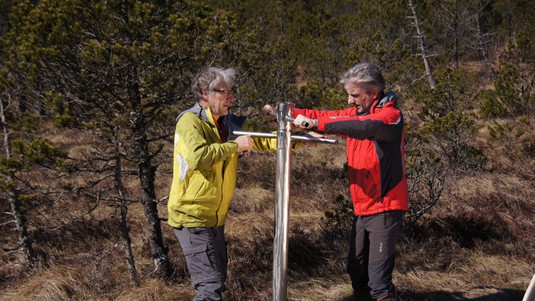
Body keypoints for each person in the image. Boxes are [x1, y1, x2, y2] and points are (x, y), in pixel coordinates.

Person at [266, 62, 408, 301]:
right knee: (356, 270)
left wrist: (318, 126)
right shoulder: (357, 112)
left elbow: (364, 127)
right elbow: (324, 116)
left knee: (378, 282)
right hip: (363, 207)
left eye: (354, 95)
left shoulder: (390, 117)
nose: (350, 101)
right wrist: (286, 112)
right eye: (348, 95)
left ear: (373, 93)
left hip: (385, 206)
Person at [168, 67, 277, 301]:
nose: (231, 97)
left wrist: (300, 140)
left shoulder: (228, 123)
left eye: (232, 91)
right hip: (192, 216)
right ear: (204, 93)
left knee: (216, 281)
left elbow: (265, 140)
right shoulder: (190, 121)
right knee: (209, 286)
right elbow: (198, 158)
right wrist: (235, 146)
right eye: (223, 91)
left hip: (214, 218)